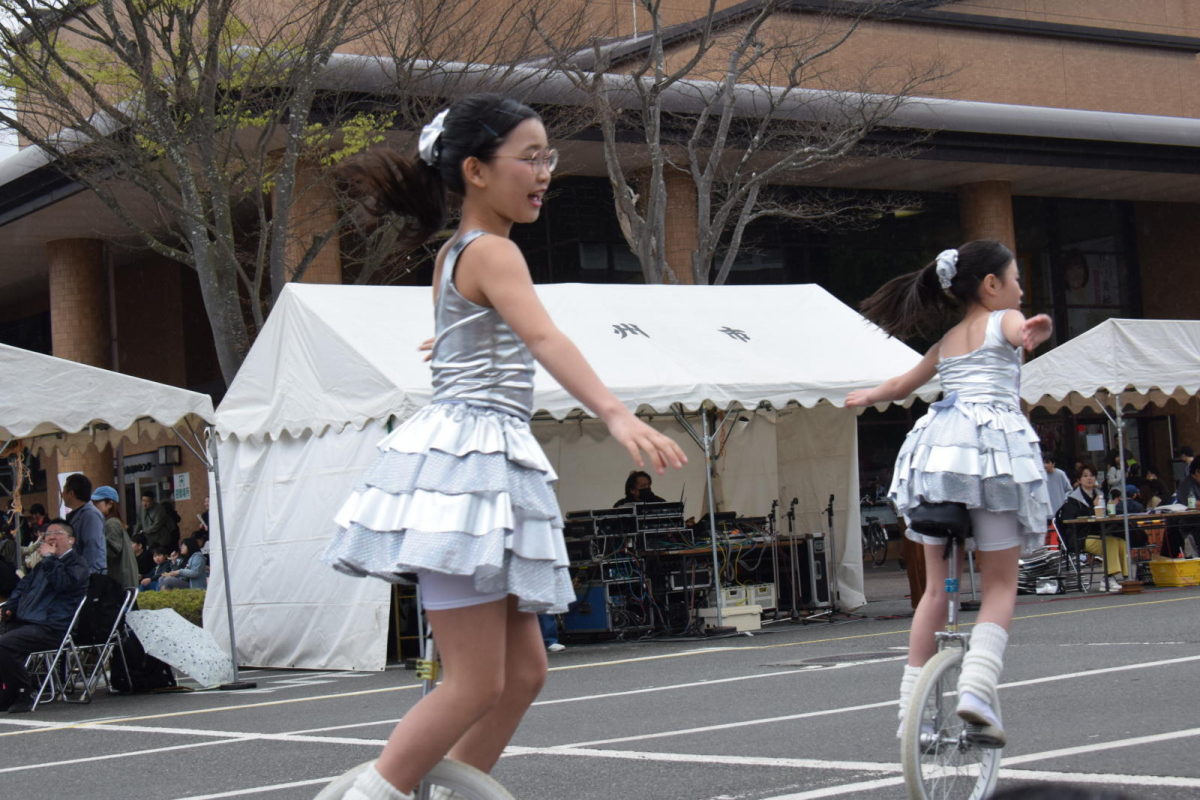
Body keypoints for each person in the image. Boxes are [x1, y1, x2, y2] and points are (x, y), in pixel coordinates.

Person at [320, 95, 687, 800]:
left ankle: (457, 790)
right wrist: (615, 414)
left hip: (484, 464)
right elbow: (545, 338)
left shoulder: (464, 254)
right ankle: (376, 795)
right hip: (469, 470)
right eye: (529, 156)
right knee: (476, 679)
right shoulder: (491, 251)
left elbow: (476, 336)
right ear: (475, 171)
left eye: (548, 156)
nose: (544, 171)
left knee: (523, 674)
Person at [846, 239, 1053, 750]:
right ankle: (977, 691)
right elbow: (1018, 329)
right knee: (1001, 584)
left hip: (939, 458)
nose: (1020, 291)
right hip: (991, 459)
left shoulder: (947, 342)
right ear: (991, 286)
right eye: (1015, 280)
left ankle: (910, 720)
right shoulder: (1002, 320)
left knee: (936, 592)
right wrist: (1031, 328)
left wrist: (869, 394)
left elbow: (901, 385)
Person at [0, 520, 89, 713]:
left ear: (71, 540)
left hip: (53, 626)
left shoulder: (77, 564)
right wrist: (10, 606)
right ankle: (9, 693)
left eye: (56, 533)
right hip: (30, 621)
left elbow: (63, 585)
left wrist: (49, 558)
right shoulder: (43, 565)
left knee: (4, 644)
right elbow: (22, 586)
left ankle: (24, 691)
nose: (50, 537)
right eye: (47, 534)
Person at [1058, 464, 1126, 592]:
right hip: (1081, 537)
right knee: (1110, 543)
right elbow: (1072, 522)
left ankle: (1125, 577)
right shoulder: (1072, 499)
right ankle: (1107, 578)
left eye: (1092, 475)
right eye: (1085, 476)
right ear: (1079, 480)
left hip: (1098, 534)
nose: (1089, 478)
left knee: (1120, 542)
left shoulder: (1100, 494)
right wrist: (1093, 509)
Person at [92, 486, 140, 590]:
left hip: (120, 583)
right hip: (123, 581)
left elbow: (110, 551)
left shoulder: (111, 524)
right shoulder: (112, 522)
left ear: (109, 504)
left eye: (96, 503)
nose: (93, 506)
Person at [61, 473, 107, 575]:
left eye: (64, 490)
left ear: (71, 493)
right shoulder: (76, 514)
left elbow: (91, 546)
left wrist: (81, 573)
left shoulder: (90, 515)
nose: (62, 494)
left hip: (91, 576)